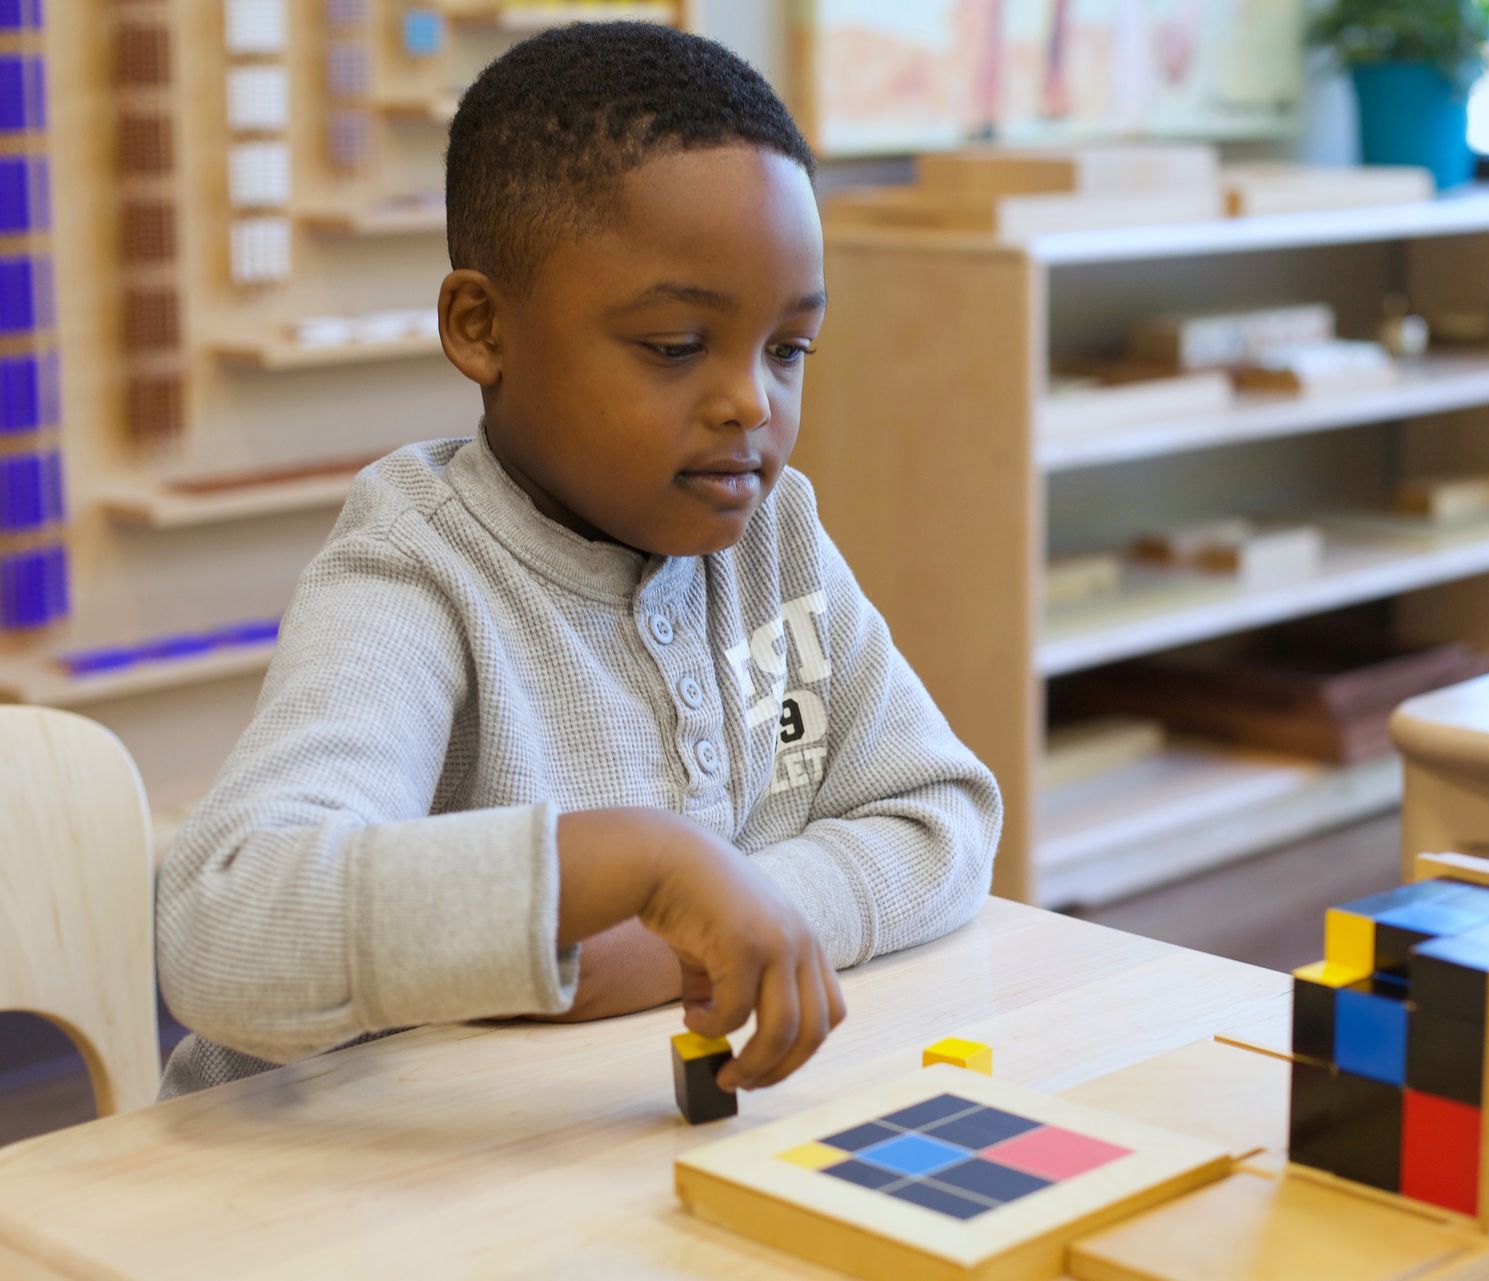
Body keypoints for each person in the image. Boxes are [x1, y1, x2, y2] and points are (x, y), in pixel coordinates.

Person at [155, 22, 1002, 1102]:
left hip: (593, 1150)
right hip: (325, 1195)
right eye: (675, 347)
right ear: (481, 328)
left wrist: (690, 933)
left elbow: (942, 819)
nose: (753, 402)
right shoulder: (417, 568)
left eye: (788, 349)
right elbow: (226, 923)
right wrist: (627, 866)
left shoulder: (776, 536)